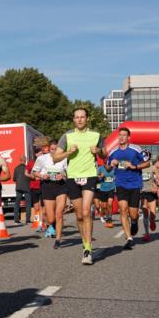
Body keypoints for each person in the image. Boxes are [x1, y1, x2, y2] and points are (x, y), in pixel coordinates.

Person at [53, 108, 106, 265]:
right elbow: (55, 158)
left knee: (86, 211)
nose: (80, 119)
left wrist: (98, 151)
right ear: (73, 119)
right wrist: (68, 153)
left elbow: (105, 154)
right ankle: (85, 243)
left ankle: (88, 249)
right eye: (77, 117)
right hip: (73, 177)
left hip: (90, 175)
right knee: (79, 215)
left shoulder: (96, 135)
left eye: (82, 117)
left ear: (87, 119)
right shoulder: (67, 136)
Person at [107, 127, 147, 250]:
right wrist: (111, 164)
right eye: (120, 135)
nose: (121, 137)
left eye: (124, 135)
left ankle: (134, 222)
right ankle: (129, 238)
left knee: (133, 214)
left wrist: (134, 166)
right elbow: (107, 167)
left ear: (128, 137)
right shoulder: (113, 151)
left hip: (134, 184)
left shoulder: (136, 149)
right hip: (120, 183)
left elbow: (147, 163)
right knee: (123, 209)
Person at [33, 138, 67, 248]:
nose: (54, 151)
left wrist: (63, 175)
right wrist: (42, 175)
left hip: (61, 186)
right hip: (47, 186)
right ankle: (53, 225)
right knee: (51, 218)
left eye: (56, 149)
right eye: (52, 149)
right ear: (48, 149)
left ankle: (58, 239)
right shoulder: (42, 158)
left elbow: (69, 172)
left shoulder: (64, 158)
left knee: (59, 214)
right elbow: (34, 172)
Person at [139, 150, 159, 242]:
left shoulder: (153, 168)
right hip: (142, 192)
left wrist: (157, 186)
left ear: (149, 158)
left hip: (151, 192)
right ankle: (147, 233)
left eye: (146, 157)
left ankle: (152, 221)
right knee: (145, 212)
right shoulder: (139, 168)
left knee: (152, 214)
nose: (144, 159)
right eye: (143, 157)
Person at [95, 158, 116, 228]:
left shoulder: (114, 168)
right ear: (104, 164)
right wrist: (100, 177)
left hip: (111, 188)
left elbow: (117, 176)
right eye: (107, 164)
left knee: (110, 203)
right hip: (103, 189)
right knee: (104, 206)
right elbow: (96, 177)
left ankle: (110, 218)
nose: (108, 166)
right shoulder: (100, 168)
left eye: (109, 164)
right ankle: (104, 216)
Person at [12, 154, 33, 225]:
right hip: (26, 187)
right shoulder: (27, 168)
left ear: (20, 160)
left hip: (18, 187)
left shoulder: (16, 168)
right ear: (25, 160)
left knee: (17, 203)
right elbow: (30, 177)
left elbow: (14, 179)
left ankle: (16, 220)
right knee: (28, 203)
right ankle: (27, 220)